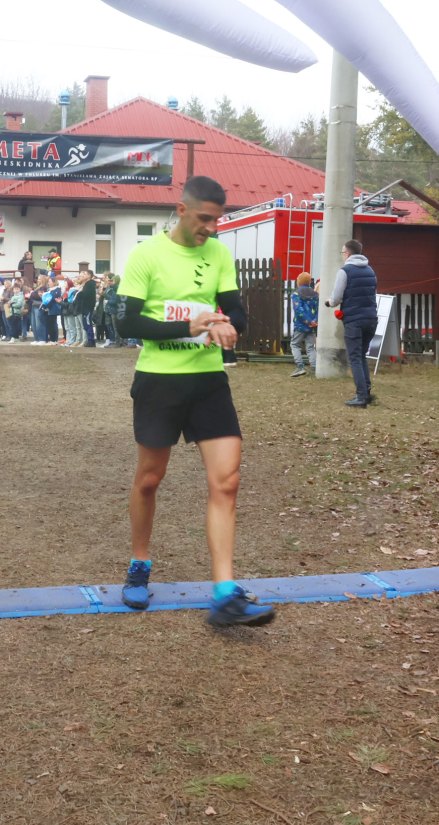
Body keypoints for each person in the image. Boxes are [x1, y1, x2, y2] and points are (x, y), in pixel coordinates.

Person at [115, 175, 272, 626]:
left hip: (207, 381)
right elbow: (126, 323)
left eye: (217, 220)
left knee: (227, 481)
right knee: (150, 478)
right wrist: (189, 326)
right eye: (204, 218)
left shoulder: (219, 254)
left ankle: (224, 592)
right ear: (181, 210)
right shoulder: (146, 254)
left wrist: (226, 323)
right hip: (159, 381)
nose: (211, 228)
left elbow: (236, 310)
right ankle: (139, 564)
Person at [325, 239, 379, 408]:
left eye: (343, 253)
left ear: (348, 254)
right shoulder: (370, 270)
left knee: (354, 357)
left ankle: (361, 397)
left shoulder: (345, 271)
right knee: (361, 355)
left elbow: (336, 298)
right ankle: (367, 393)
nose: (342, 256)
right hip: (371, 319)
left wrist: (329, 302)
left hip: (354, 320)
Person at [289, 271, 318, 377]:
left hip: (301, 325)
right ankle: (314, 369)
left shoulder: (297, 294)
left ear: (299, 282)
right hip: (313, 326)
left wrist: (307, 321)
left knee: (294, 344)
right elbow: (318, 310)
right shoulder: (315, 294)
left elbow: (299, 310)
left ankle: (300, 367)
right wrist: (314, 321)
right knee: (310, 347)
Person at [76, 270, 97, 347]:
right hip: (85, 307)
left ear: (89, 276)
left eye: (85, 274)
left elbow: (85, 295)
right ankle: (89, 340)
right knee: (85, 324)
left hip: (88, 307)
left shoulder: (90, 284)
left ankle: (91, 341)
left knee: (88, 323)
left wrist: (79, 294)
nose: (83, 275)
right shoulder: (86, 284)